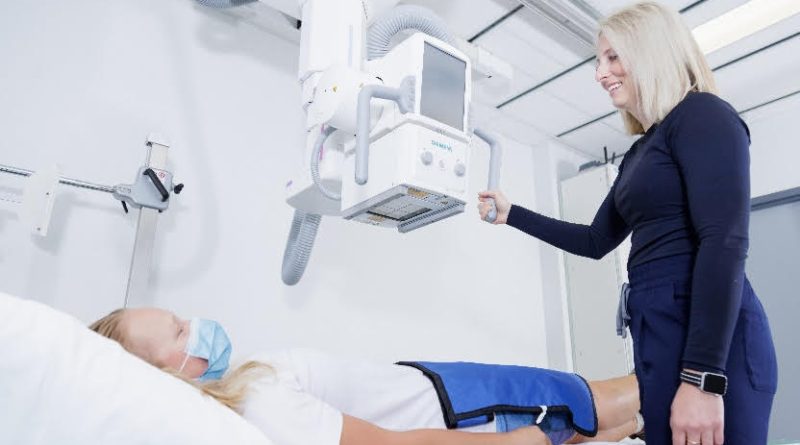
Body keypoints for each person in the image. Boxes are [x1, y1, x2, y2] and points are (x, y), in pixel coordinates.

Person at [478, 2, 778, 445]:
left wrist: (701, 378)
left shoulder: (703, 115)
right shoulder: (641, 152)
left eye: (613, 57)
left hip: (709, 340)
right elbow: (595, 240)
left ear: (651, 51)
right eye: (599, 60)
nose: (600, 73)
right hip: (655, 329)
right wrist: (512, 214)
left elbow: (724, 241)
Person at [89, 307, 644, 445]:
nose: (197, 325)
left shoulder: (242, 391)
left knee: (604, 422)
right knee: (595, 398)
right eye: (181, 332)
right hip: (462, 412)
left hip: (439, 388)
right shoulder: (259, 406)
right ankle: (698, 382)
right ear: (169, 375)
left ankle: (655, 420)